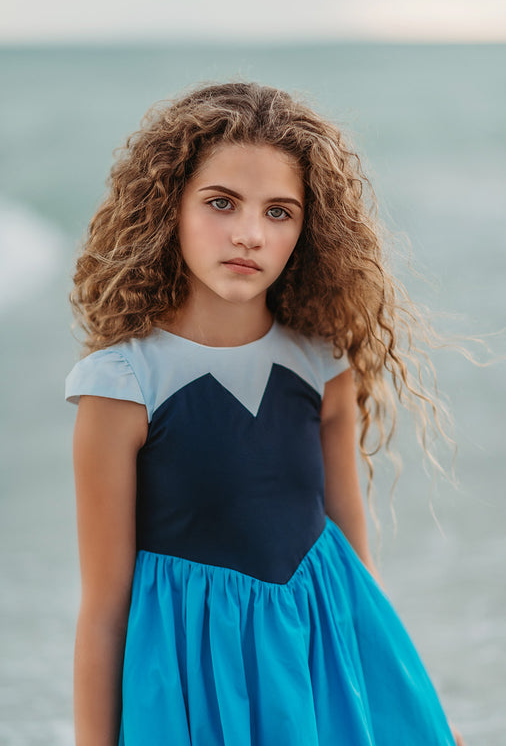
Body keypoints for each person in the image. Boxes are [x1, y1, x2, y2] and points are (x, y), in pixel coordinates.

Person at [65, 80, 467, 745]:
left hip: (318, 663)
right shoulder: (123, 384)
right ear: (169, 206)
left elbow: (351, 561)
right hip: (193, 681)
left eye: (279, 212)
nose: (249, 234)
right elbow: (105, 612)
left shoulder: (322, 366)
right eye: (221, 203)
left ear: (308, 229)